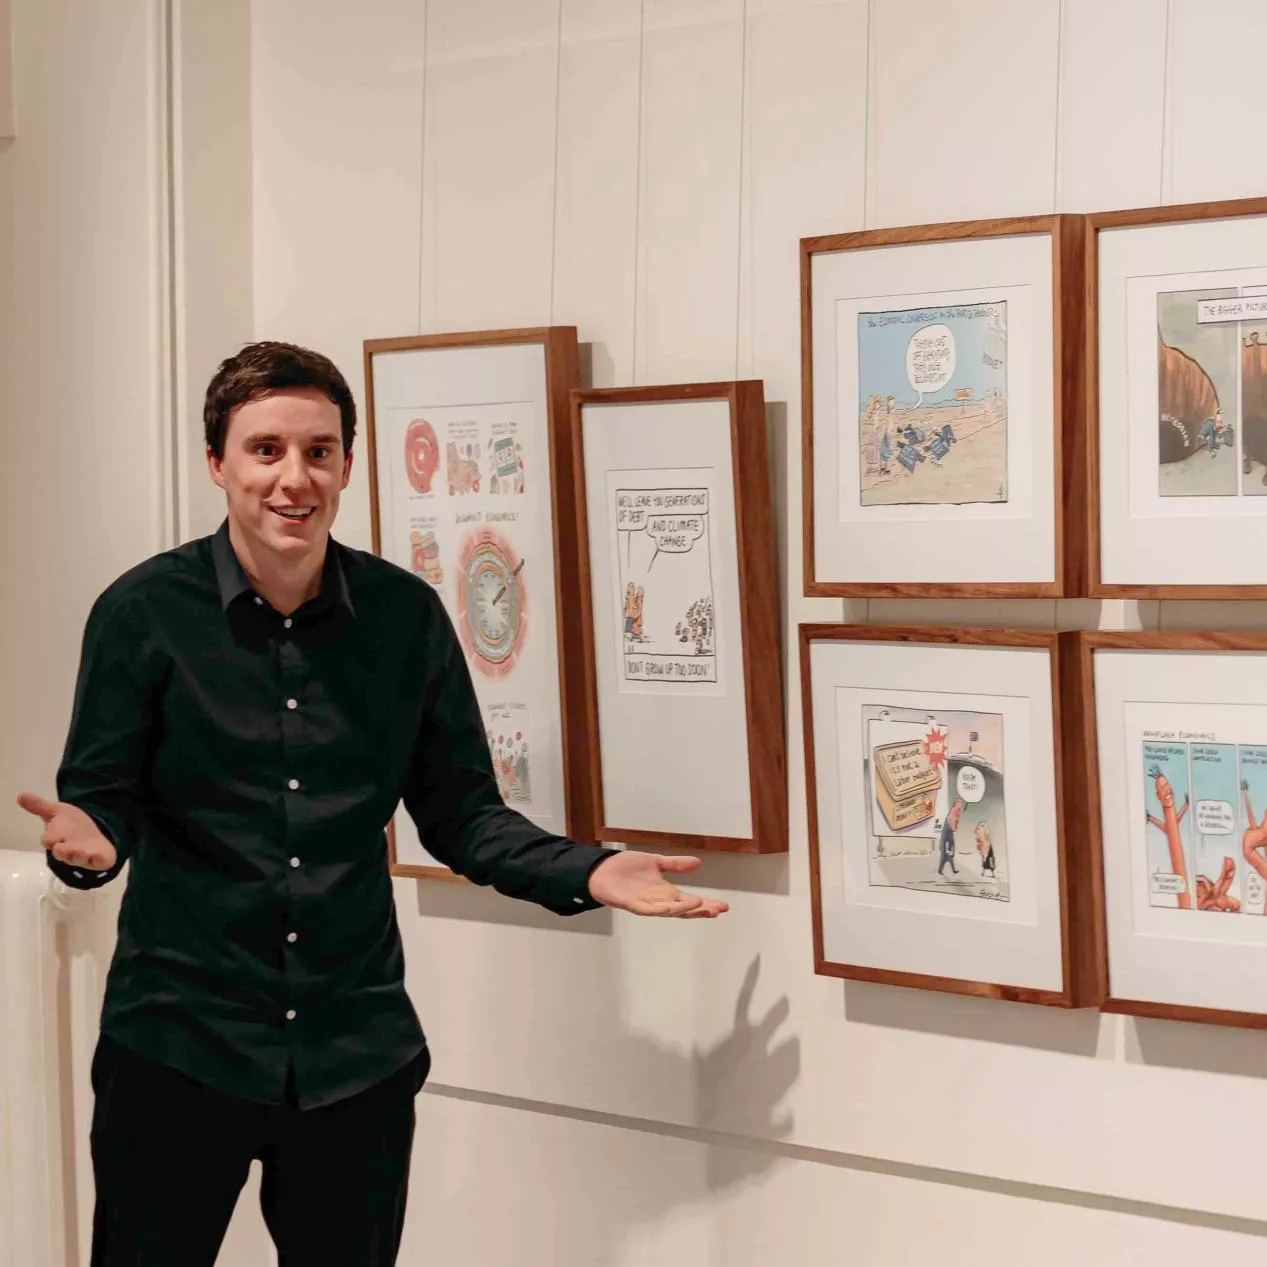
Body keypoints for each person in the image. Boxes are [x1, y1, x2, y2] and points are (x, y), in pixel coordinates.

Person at [16, 342, 728, 1267]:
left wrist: (589, 866)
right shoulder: (141, 614)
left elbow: (464, 817)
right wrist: (93, 847)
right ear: (217, 464)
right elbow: (100, 804)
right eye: (265, 449)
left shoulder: (406, 618)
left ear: (348, 464)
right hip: (177, 1047)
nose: (293, 478)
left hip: (356, 1056)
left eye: (318, 451)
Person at [937, 798, 964, 876]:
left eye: (960, 803)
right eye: (958, 802)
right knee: (943, 855)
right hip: (946, 833)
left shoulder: (956, 811)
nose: (960, 804)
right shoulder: (953, 811)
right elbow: (952, 823)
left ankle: (953, 870)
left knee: (950, 855)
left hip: (949, 832)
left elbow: (955, 824)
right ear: (955, 804)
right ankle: (940, 870)